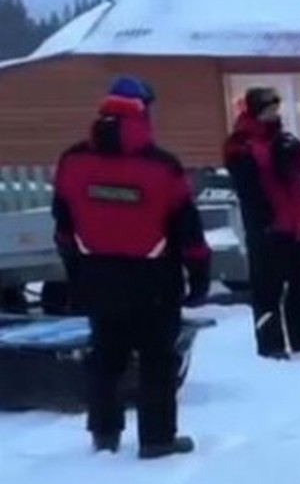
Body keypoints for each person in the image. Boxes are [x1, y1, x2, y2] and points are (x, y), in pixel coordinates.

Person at [51, 81, 209, 459]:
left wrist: (76, 271)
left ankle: (104, 433)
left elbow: (62, 225)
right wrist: (199, 273)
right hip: (153, 278)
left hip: (97, 273)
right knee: (157, 359)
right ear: (143, 112)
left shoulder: (72, 162)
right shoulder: (162, 167)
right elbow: (188, 229)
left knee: (106, 358)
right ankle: (157, 439)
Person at [223, 87, 300, 359]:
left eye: (275, 108)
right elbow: (246, 184)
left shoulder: (283, 138)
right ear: (254, 111)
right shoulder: (241, 144)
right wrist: (263, 218)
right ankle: (270, 344)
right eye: (267, 109)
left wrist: (296, 150)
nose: (272, 114)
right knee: (267, 290)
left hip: (298, 225)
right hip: (268, 228)